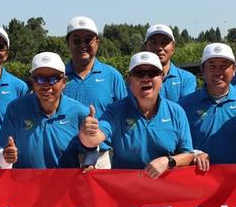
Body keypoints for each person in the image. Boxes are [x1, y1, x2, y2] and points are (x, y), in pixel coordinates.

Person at [79, 52, 207, 176]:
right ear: (129, 80)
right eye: (139, 74)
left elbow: (188, 154)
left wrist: (168, 161)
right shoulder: (116, 110)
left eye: (152, 73)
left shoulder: (176, 112)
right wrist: (87, 133)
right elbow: (93, 140)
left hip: (166, 190)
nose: (146, 78)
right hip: (126, 191)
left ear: (162, 78)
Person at [180, 43, 236, 164]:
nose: (218, 72)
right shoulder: (184, 105)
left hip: (233, 179)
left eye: (224, 66)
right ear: (202, 69)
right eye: (212, 66)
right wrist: (194, 154)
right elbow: (178, 146)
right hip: (197, 178)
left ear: (234, 69)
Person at [0, 52, 90, 169]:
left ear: (64, 82)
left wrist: (89, 161)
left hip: (66, 185)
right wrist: (5, 158)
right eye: (40, 79)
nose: (46, 86)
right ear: (32, 81)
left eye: (53, 79)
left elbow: (91, 150)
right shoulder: (15, 109)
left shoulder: (80, 112)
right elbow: (0, 155)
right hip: (25, 185)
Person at [63, 16, 127, 117]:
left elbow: (124, 116)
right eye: (77, 41)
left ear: (97, 43)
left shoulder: (112, 76)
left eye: (88, 40)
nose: (82, 45)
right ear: (68, 43)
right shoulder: (57, 78)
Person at [143, 24, 197, 102]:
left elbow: (186, 109)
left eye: (164, 43)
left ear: (173, 48)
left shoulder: (186, 79)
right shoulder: (137, 78)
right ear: (146, 47)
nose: (159, 48)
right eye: (154, 43)